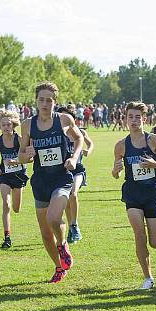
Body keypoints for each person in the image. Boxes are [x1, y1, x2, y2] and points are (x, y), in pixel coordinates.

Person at [17, 82, 83, 283]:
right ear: (36, 101)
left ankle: (63, 244)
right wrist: (27, 155)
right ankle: (58, 266)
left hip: (61, 178)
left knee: (54, 218)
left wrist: (73, 158)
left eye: (49, 100)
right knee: (46, 234)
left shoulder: (63, 120)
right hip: (40, 181)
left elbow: (79, 139)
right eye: (41, 99)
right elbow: (21, 156)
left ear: (55, 102)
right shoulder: (28, 124)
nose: (45, 104)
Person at [112, 102, 156, 289]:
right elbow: (116, 174)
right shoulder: (120, 146)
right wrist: (116, 170)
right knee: (139, 234)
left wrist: (155, 165)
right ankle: (148, 277)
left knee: (155, 243)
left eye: (137, 117)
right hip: (132, 193)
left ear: (144, 119)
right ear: (125, 120)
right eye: (130, 117)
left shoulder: (153, 140)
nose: (133, 120)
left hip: (151, 193)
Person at [0, 110, 28, 249]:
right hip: (4, 176)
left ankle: (9, 231)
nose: (6, 127)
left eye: (9, 124)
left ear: (13, 125)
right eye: (3, 125)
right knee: (6, 204)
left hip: (18, 175)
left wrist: (16, 160)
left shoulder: (19, 139)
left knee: (16, 208)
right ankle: (7, 237)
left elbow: (29, 158)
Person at [58, 105, 94, 244]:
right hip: (63, 170)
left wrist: (87, 151)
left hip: (78, 169)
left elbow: (91, 144)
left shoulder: (81, 132)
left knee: (73, 194)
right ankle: (71, 228)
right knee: (66, 200)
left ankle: (74, 224)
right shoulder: (58, 135)